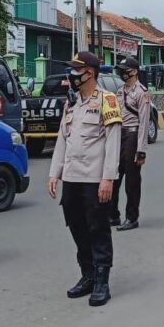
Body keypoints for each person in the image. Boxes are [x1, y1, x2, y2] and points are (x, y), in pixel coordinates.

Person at [48, 51, 122, 307]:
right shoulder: (72, 104)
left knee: (98, 228)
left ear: (89, 73)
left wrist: (108, 179)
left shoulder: (107, 100)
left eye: (76, 71)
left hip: (94, 179)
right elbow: (62, 140)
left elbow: (113, 143)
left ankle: (102, 280)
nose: (71, 75)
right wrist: (54, 173)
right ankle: (87, 274)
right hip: (72, 178)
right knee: (77, 226)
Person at [111, 57, 151, 232]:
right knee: (113, 177)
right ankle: (112, 215)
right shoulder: (119, 91)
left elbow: (144, 122)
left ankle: (131, 217)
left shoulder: (141, 93)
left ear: (134, 71)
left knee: (132, 181)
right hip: (119, 135)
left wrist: (141, 150)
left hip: (133, 136)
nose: (122, 73)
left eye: (125, 70)